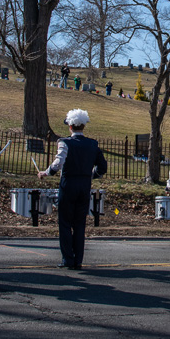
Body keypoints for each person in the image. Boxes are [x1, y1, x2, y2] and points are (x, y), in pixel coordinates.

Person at [39, 109, 107, 269]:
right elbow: (102, 167)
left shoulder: (65, 142)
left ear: (70, 126)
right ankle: (78, 260)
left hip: (68, 184)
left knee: (64, 222)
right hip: (84, 186)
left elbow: (58, 163)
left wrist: (46, 173)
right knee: (79, 223)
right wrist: (90, 175)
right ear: (83, 126)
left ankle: (67, 259)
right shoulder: (92, 144)